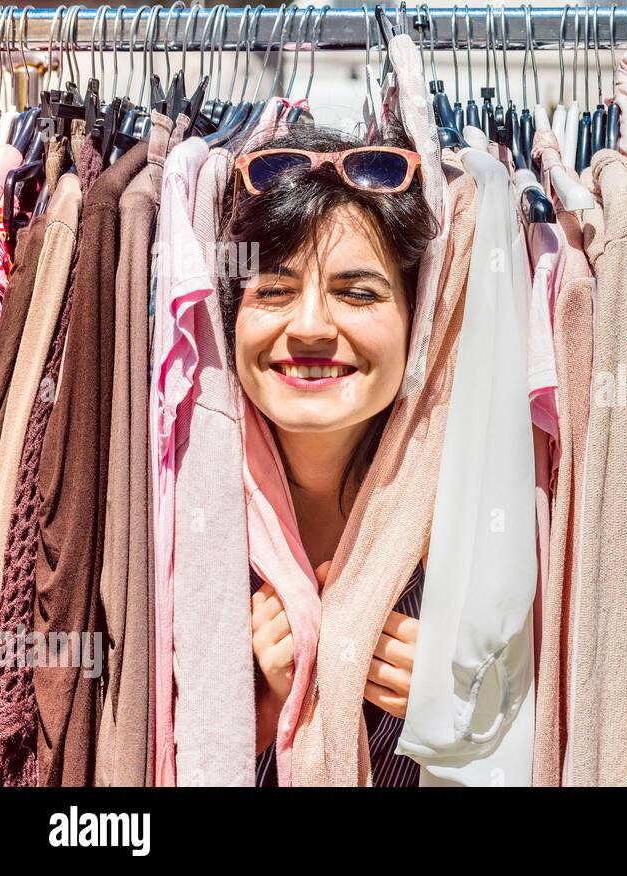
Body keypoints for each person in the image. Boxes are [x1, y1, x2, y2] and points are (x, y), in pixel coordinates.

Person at [218, 125, 433, 786]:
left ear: (416, 321)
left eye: (359, 293)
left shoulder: (474, 527)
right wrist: (257, 712)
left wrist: (467, 725)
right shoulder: (177, 518)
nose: (310, 326)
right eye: (275, 292)